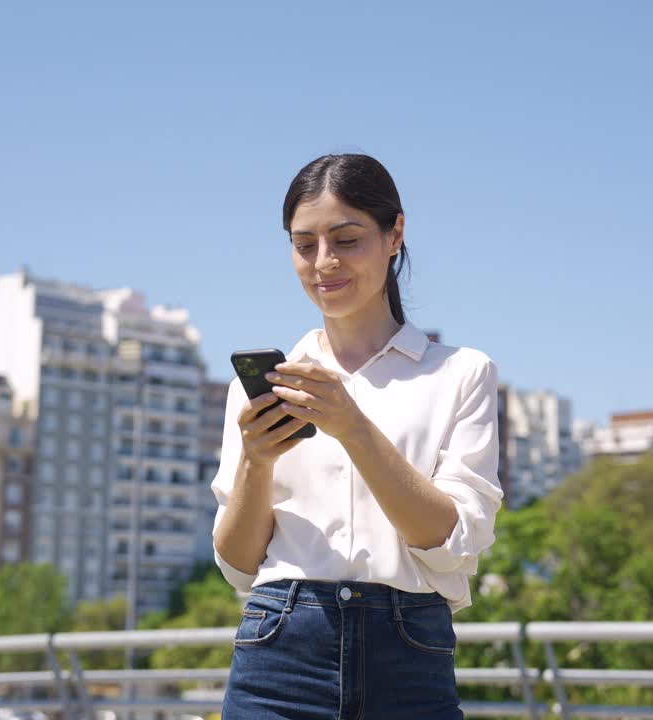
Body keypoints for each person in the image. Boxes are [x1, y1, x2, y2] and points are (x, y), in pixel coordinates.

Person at [211, 153, 503, 719]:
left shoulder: (462, 373)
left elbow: (450, 541)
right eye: (304, 245)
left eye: (346, 240)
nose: (324, 263)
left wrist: (353, 428)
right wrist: (255, 462)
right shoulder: (263, 386)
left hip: (408, 649)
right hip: (277, 649)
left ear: (395, 234)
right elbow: (239, 566)